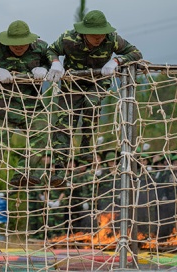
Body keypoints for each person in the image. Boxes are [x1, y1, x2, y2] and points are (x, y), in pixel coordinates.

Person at [45, 10, 142, 180]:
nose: (99, 38)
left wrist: (116, 61)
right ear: (84, 33)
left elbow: (135, 52)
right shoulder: (69, 39)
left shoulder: (112, 39)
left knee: (91, 103)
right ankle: (59, 167)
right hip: (72, 84)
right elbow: (51, 50)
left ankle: (86, 147)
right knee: (64, 122)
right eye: (94, 35)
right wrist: (55, 63)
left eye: (101, 34)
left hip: (97, 82)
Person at [0, 20, 51, 187]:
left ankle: (23, 173)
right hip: (3, 107)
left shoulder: (41, 48)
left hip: (31, 106)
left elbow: (55, 62)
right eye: (14, 44)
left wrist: (44, 68)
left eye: (22, 44)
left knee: (43, 132)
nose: (18, 48)